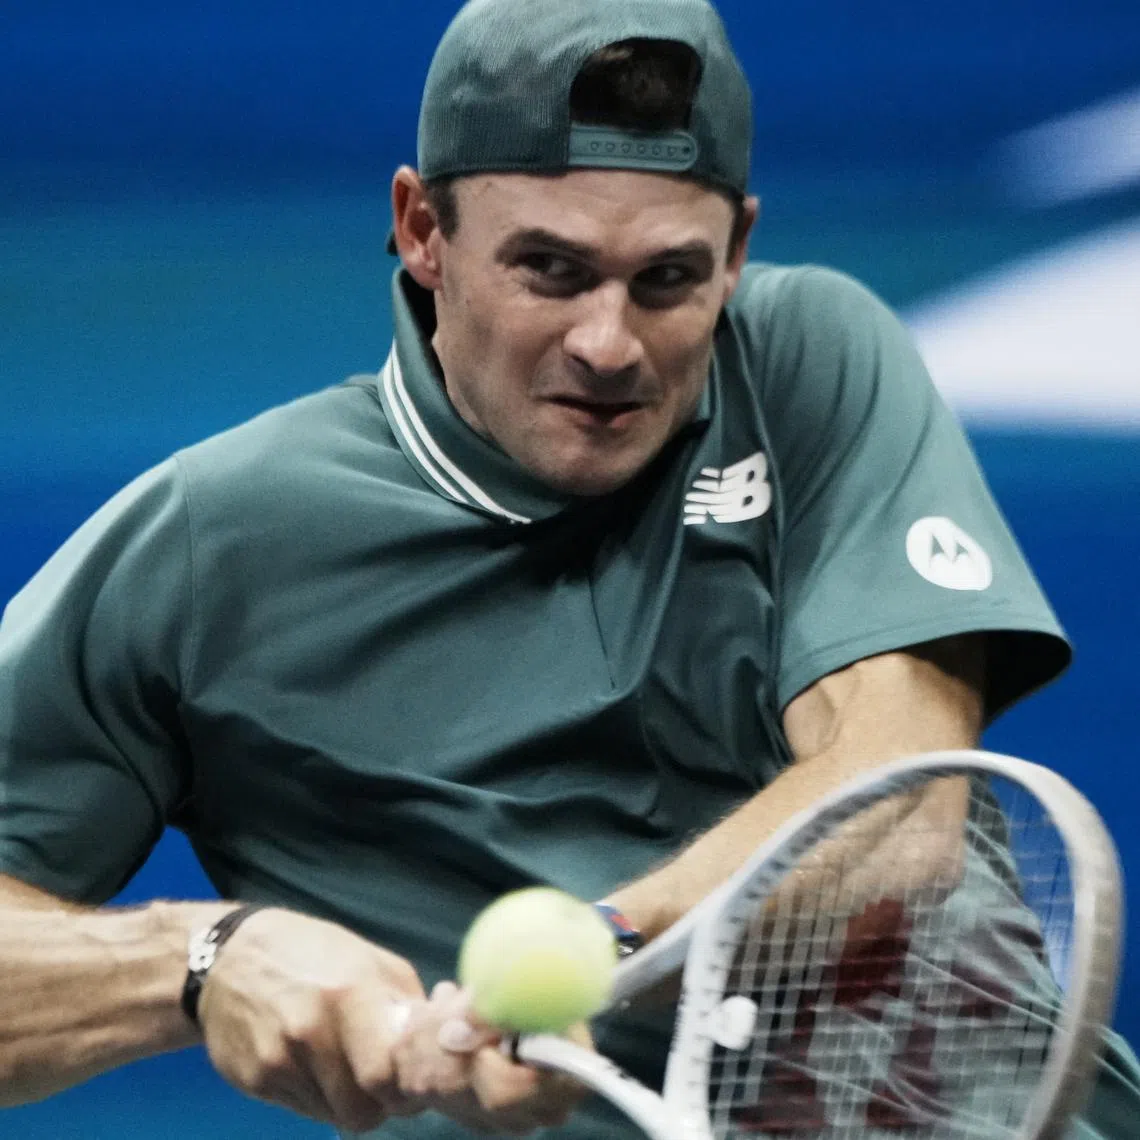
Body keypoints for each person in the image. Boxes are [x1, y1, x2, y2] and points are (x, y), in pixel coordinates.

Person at [0, 0, 1137, 1136]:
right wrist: (197, 962)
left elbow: (897, 805)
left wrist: (591, 950)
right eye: (550, 269)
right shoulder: (214, 541)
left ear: (739, 251)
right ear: (421, 230)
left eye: (667, 279)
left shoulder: (805, 361)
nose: (608, 343)